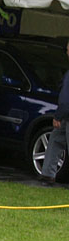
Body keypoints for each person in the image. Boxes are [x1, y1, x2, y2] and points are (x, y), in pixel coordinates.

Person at [39, 38, 69, 185]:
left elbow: (65, 98)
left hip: (66, 115)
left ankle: (48, 174)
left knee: (56, 140)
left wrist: (58, 115)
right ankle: (48, 174)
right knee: (55, 140)